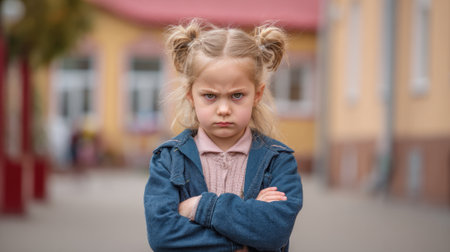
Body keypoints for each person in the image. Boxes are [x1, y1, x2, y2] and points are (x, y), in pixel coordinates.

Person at [144, 19, 303, 252]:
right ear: (191, 95)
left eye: (237, 95)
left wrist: (199, 207)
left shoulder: (279, 162)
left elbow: (274, 233)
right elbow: (163, 237)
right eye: (210, 96)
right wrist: (246, 227)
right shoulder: (168, 159)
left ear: (257, 94)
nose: (224, 109)